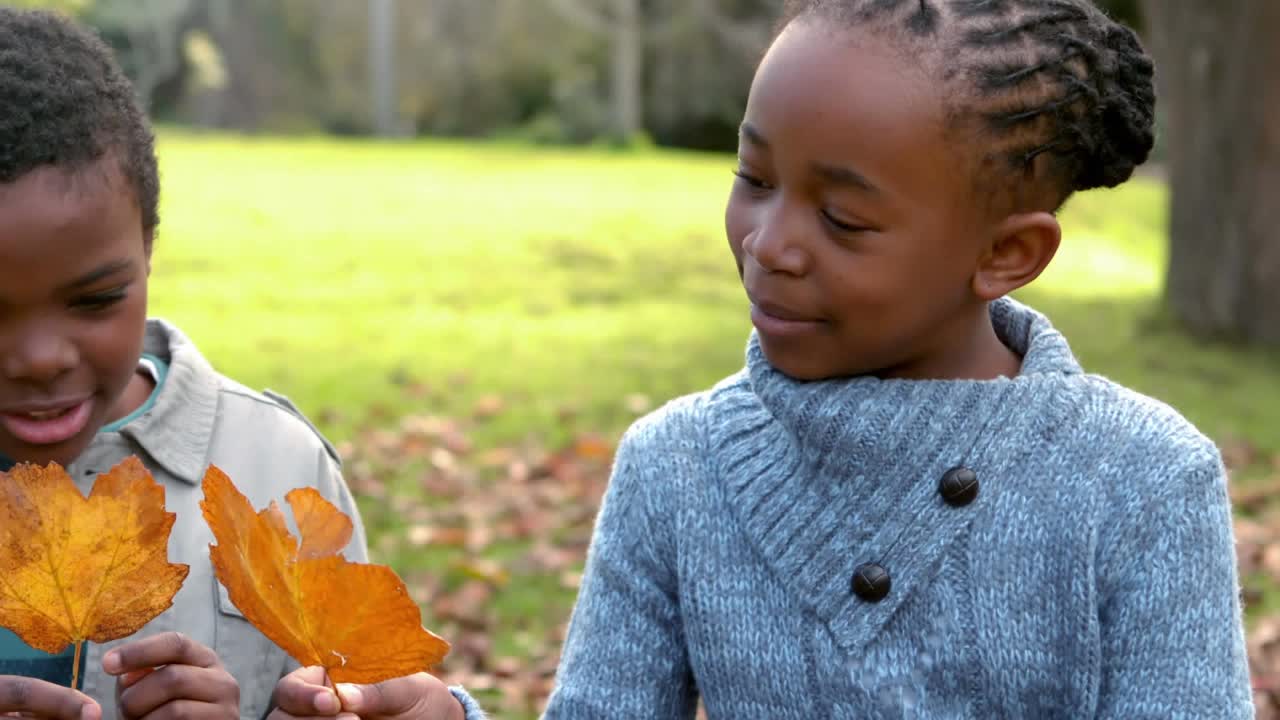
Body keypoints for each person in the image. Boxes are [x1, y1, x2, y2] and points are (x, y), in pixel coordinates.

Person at [528, 0, 1251, 717]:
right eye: (754, 179)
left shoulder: (1143, 483)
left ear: (1005, 254)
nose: (767, 245)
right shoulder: (673, 470)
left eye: (842, 219)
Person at [0, 9, 476, 720]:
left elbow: (355, 694)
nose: (40, 359)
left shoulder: (274, 473)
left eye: (95, 299)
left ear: (149, 247)